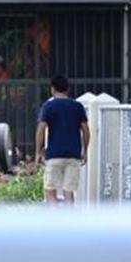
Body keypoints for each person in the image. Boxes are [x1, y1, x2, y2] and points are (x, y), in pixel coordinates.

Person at [35, 74, 90, 208]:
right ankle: (69, 223)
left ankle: (54, 223)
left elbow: (41, 130)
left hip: (54, 154)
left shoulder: (48, 106)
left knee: (51, 190)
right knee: (69, 192)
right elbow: (86, 130)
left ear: (52, 89)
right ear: (68, 89)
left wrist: (38, 152)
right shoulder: (77, 106)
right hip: (73, 154)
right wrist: (85, 151)